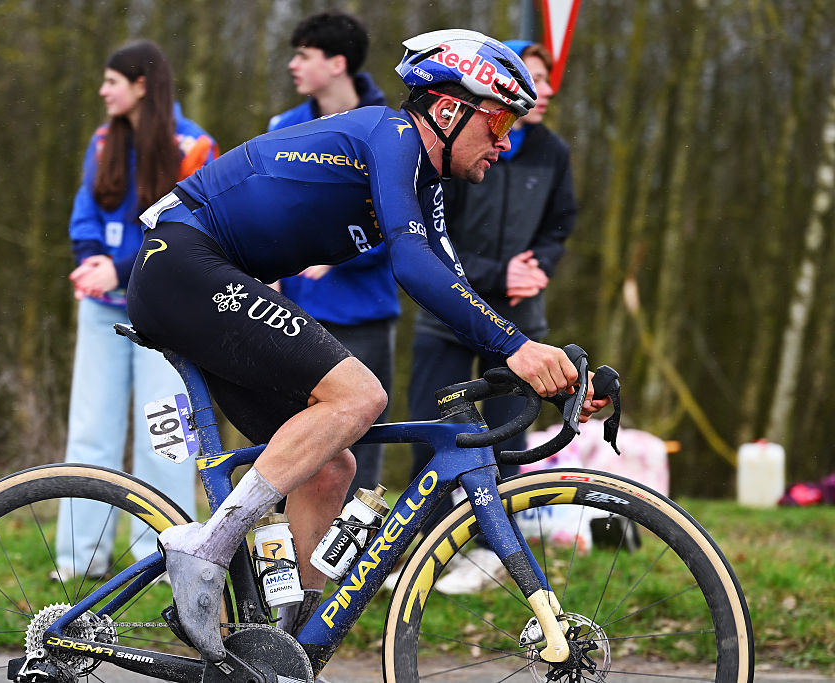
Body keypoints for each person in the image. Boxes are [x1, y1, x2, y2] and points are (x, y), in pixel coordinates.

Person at [127, 29, 606, 661]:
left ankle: (281, 651)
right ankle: (207, 548)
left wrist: (533, 364)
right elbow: (411, 266)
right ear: (446, 110)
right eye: (495, 124)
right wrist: (515, 346)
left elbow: (449, 284)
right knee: (359, 396)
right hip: (182, 261)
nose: (506, 141)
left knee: (330, 466)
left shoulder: (425, 184)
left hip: (207, 273)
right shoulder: (394, 138)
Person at [406, 40, 577, 595]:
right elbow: (435, 234)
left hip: (523, 312)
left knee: (506, 436)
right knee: (437, 434)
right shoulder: (453, 147)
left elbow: (561, 220)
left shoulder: (553, 151)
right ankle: (417, 548)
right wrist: (496, 272)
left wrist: (539, 268)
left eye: (548, 81)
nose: (544, 90)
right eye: (534, 80)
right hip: (448, 312)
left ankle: (490, 553)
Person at [53, 40, 218, 581]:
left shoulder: (194, 146)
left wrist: (121, 268)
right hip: (101, 312)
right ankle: (79, 563)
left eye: (111, 82)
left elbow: (183, 231)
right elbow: (84, 212)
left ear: (141, 84)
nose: (102, 92)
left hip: (166, 314)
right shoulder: (102, 140)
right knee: (90, 433)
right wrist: (90, 260)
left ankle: (165, 558)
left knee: (166, 436)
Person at [269, 10, 398, 501]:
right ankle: (282, 563)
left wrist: (338, 255)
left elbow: (402, 222)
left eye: (304, 54)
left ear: (338, 62)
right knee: (292, 441)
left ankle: (359, 571)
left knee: (362, 445)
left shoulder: (391, 129)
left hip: (364, 315)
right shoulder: (283, 126)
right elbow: (269, 211)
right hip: (295, 316)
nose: (292, 65)